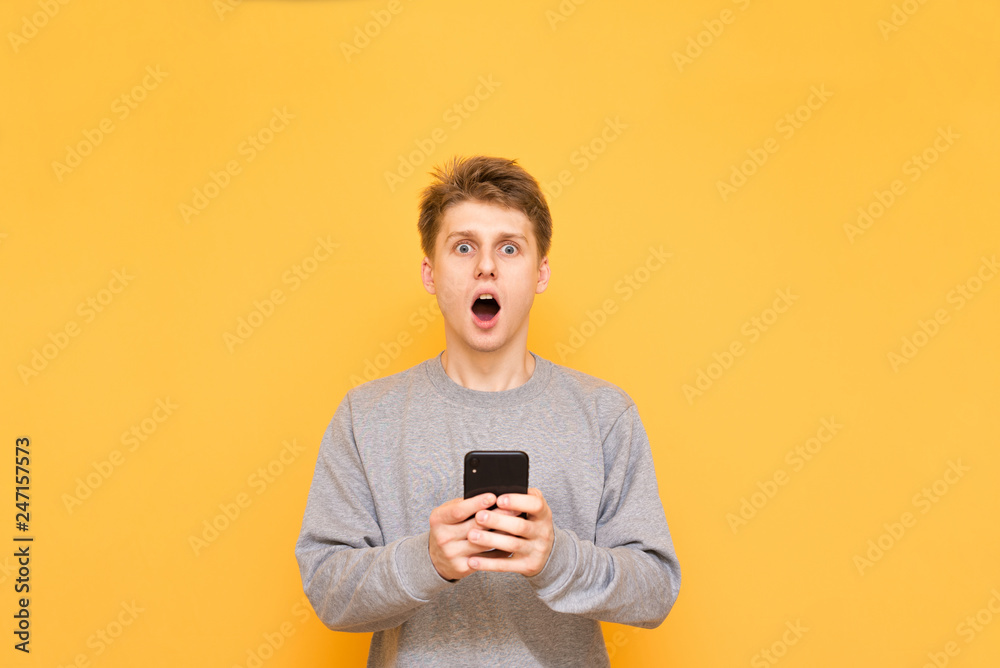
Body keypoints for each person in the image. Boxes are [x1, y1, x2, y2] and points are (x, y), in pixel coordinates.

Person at [294, 155, 681, 666]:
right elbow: (327, 590)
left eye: (509, 247)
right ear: (430, 274)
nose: (486, 266)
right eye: (463, 246)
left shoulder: (605, 415)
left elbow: (655, 590)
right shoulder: (366, 417)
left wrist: (557, 559)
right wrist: (426, 561)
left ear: (540, 272)